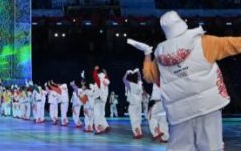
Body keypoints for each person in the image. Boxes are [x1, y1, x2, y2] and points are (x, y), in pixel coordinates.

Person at [128, 10, 241, 150]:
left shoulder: (160, 57)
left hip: (179, 113)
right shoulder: (204, 42)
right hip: (207, 106)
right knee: (212, 147)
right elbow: (235, 44)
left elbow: (149, 77)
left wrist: (147, 54)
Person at [123, 69, 143, 139]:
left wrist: (126, 73)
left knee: (133, 120)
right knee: (138, 119)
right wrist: (138, 72)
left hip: (133, 104)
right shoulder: (139, 85)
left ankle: (136, 133)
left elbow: (124, 80)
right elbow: (140, 78)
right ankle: (140, 132)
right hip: (139, 105)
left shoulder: (130, 85)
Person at [92, 66, 110, 135]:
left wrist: (95, 70)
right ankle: (105, 126)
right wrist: (106, 74)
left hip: (98, 99)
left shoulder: (99, 81)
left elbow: (95, 77)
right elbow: (106, 78)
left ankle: (98, 129)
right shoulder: (106, 81)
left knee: (96, 114)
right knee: (102, 114)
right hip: (103, 99)